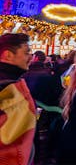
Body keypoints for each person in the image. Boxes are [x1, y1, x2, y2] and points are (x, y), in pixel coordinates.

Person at [0, 33, 36, 165]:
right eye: (26, 53)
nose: (31, 57)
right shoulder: (8, 87)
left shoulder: (15, 82)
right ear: (8, 55)